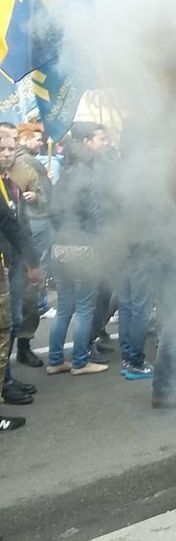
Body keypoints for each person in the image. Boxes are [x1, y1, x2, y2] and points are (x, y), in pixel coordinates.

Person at [46, 122, 110, 376]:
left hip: (60, 246)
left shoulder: (64, 173)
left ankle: (55, 360)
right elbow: (95, 214)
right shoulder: (87, 175)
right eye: (101, 139)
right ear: (86, 143)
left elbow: (52, 213)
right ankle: (81, 362)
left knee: (64, 309)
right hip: (83, 247)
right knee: (84, 308)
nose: (105, 144)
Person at [0, 134, 43, 414]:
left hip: (14, 264)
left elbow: (18, 225)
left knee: (13, 322)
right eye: (1, 148)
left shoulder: (11, 185)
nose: (6, 153)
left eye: (10, 149)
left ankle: (5, 379)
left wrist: (32, 261)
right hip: (3, 264)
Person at [9, 122, 52, 367]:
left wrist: (36, 196)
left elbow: (44, 196)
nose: (7, 151)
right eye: (3, 145)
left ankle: (24, 347)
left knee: (27, 303)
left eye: (11, 144)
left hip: (22, 246)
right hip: (5, 252)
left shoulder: (23, 170)